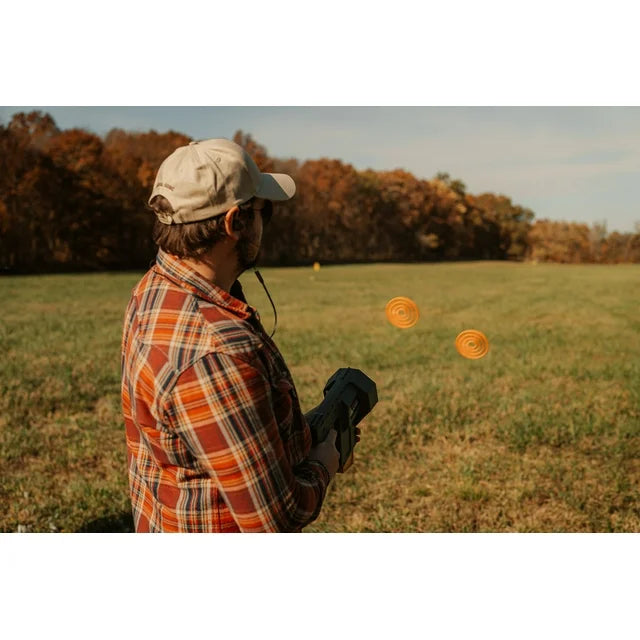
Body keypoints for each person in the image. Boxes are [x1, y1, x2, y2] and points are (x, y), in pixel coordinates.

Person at [121, 138, 341, 532]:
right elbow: (275, 519)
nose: (265, 223)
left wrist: (304, 434)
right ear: (234, 222)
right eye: (263, 211)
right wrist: (326, 462)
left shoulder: (154, 288)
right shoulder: (217, 353)